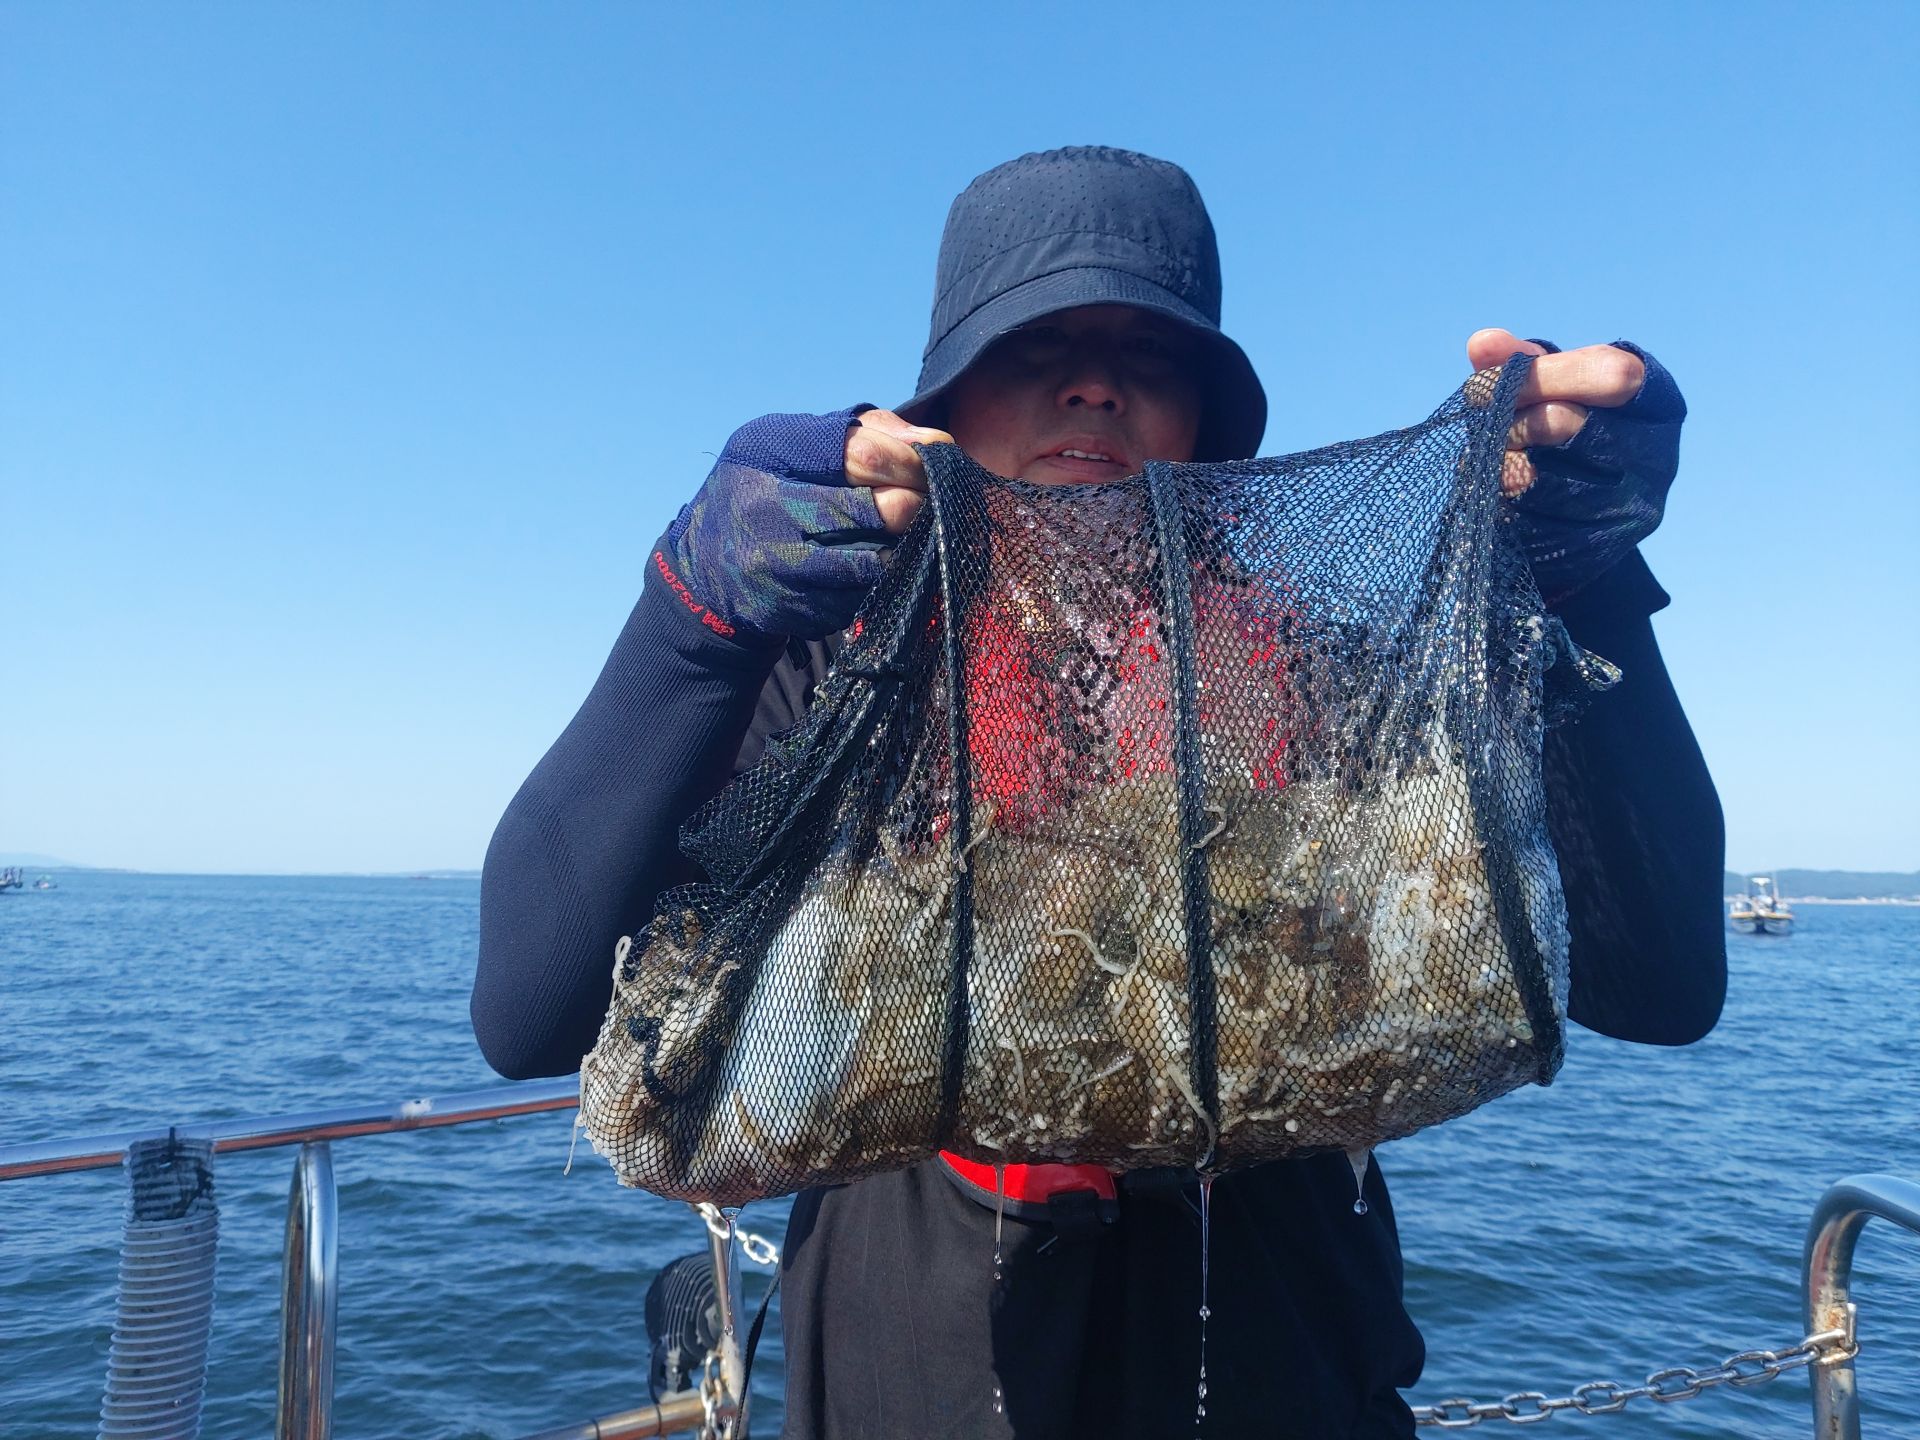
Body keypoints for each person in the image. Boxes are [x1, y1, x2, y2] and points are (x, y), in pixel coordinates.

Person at [470, 147, 1725, 1438]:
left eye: (1152, 354)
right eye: (1032, 344)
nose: (1093, 384)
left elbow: (1659, 988)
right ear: (938, 407)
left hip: (1280, 1340)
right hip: (909, 1334)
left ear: (1209, 422)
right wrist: (690, 622)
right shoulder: (835, 676)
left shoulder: (1326, 679)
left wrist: (1582, 579)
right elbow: (526, 1016)